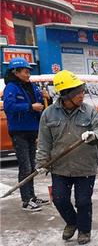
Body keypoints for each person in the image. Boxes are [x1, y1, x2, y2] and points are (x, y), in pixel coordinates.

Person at [36, 70, 98, 245]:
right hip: (60, 167)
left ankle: (84, 230)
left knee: (83, 201)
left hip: (85, 166)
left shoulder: (89, 111)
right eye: (78, 93)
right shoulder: (49, 114)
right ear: (66, 95)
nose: (82, 95)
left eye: (82, 91)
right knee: (59, 199)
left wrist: (93, 135)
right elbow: (44, 141)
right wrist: (42, 162)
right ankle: (72, 222)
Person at [2, 57, 48, 211]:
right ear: (16, 72)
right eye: (25, 71)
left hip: (33, 130)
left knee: (32, 167)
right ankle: (26, 200)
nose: (28, 74)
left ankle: (32, 197)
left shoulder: (32, 87)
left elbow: (41, 104)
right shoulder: (11, 87)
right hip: (19, 131)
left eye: (29, 71)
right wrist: (29, 107)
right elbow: (9, 106)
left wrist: (46, 96)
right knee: (25, 166)